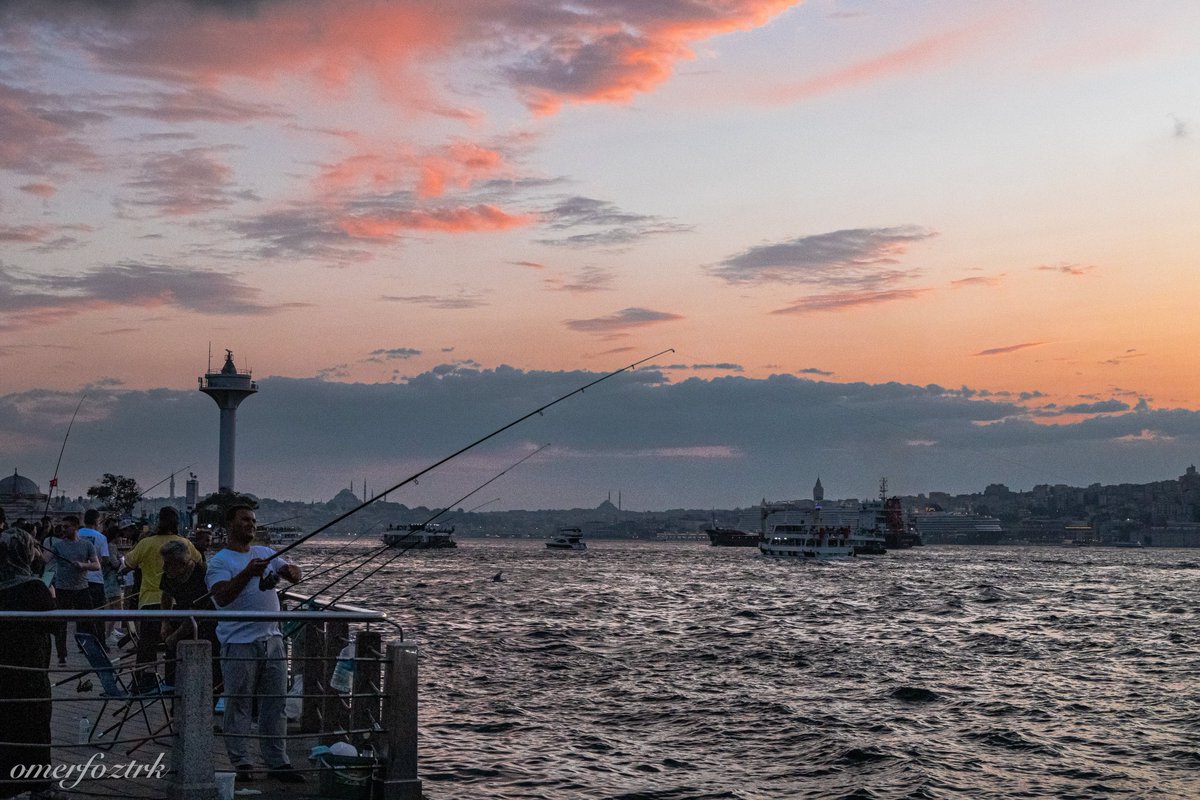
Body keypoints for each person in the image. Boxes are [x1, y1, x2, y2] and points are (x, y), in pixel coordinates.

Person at [206, 504, 303, 783]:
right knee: (239, 704)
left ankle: (278, 761)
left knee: (276, 704)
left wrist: (290, 573)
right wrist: (248, 573)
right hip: (238, 642)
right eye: (245, 520)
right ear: (230, 525)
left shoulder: (264, 553)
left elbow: (291, 571)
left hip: (272, 640)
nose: (251, 524)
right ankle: (242, 762)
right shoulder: (220, 562)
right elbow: (221, 598)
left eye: (253, 520)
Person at [0, 529, 58, 800]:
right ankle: (37, 784)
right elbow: (55, 624)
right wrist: (51, 594)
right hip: (29, 671)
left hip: (4, 670)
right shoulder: (33, 587)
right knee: (33, 726)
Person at [123, 508, 201, 690]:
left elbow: (128, 563)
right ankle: (172, 683)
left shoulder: (146, 543)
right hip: (175, 603)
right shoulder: (185, 543)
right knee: (171, 646)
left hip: (148, 601)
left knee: (146, 647)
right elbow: (199, 564)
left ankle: (143, 683)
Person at [159, 538, 221, 695]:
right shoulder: (169, 574)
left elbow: (198, 614)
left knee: (207, 669)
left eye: (168, 563)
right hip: (179, 615)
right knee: (174, 668)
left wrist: (175, 636)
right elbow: (166, 596)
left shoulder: (203, 575)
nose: (164, 567)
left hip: (205, 624)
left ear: (182, 564)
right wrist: (165, 623)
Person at [44, 515, 100, 666]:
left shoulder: (87, 545)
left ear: (75, 527)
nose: (63, 529)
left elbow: (96, 565)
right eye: (62, 526)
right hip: (63, 589)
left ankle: (96, 653)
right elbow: (44, 559)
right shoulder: (58, 546)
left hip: (82, 588)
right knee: (61, 624)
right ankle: (62, 656)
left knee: (89, 621)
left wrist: (83, 565)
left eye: (67, 526)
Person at [76, 509, 113, 644]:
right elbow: (105, 559)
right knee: (98, 613)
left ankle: (82, 642)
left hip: (79, 580)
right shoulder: (100, 537)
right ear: (97, 521)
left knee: (81, 614)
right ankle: (99, 642)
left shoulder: (77, 534)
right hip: (96, 580)